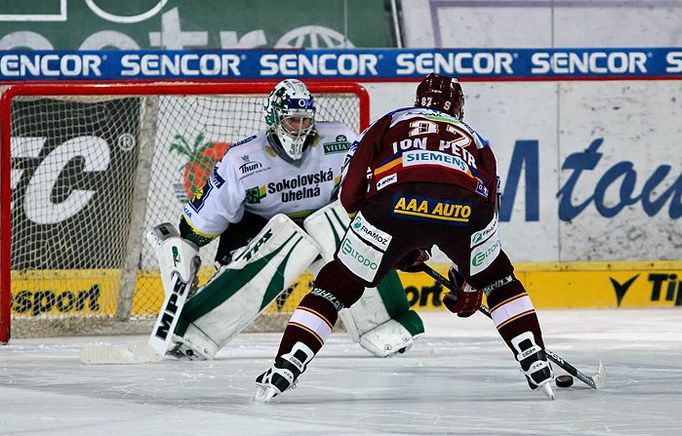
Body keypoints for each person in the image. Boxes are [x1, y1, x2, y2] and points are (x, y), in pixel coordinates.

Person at [255, 73, 555, 403]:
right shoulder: (478, 139)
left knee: (335, 286)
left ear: (418, 100)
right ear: (459, 108)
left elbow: (351, 192)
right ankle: (534, 358)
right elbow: (488, 212)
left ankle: (288, 363)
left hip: (393, 204)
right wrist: (471, 283)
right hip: (465, 210)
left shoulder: (390, 121)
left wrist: (395, 241)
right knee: (499, 280)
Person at [154, 79, 424, 361]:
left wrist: (399, 241)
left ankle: (384, 324)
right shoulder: (241, 160)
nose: (300, 128)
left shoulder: (340, 140)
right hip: (261, 234)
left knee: (351, 235)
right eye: (293, 120)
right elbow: (204, 219)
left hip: (327, 230)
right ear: (274, 118)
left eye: (306, 120)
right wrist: (185, 250)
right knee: (282, 243)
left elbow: (370, 191)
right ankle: (197, 332)